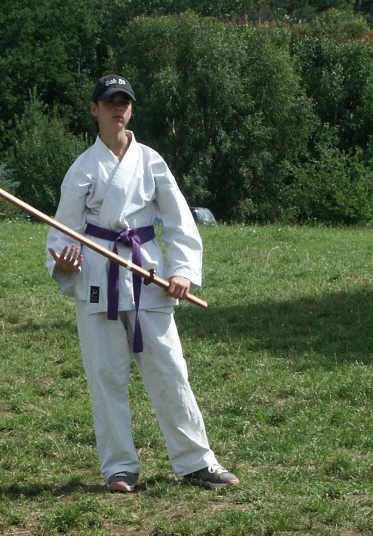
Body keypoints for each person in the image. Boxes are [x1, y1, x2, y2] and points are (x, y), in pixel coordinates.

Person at [46, 74, 239, 493]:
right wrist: (65, 262)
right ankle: (119, 467)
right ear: (94, 109)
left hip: (146, 274)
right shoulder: (82, 169)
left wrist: (182, 270)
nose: (117, 108)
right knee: (106, 376)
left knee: (170, 369)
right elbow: (62, 232)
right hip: (99, 278)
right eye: (109, 102)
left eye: (124, 102)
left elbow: (178, 220)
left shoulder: (151, 161)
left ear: (131, 109)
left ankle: (196, 462)